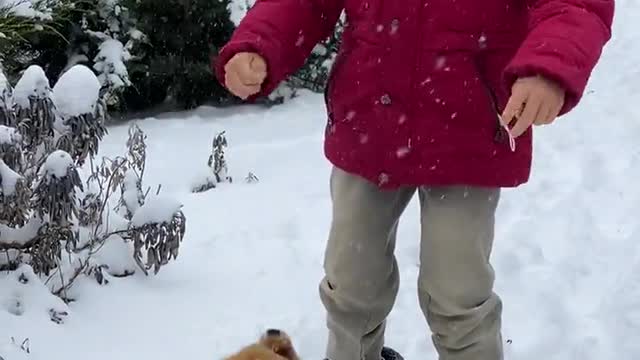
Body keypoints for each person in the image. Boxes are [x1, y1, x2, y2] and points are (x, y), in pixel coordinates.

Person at [213, 0, 614, 359]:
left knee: (458, 293)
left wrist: (550, 66)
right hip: (369, 126)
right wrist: (259, 42)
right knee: (351, 282)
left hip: (468, 135)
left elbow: (575, 5)